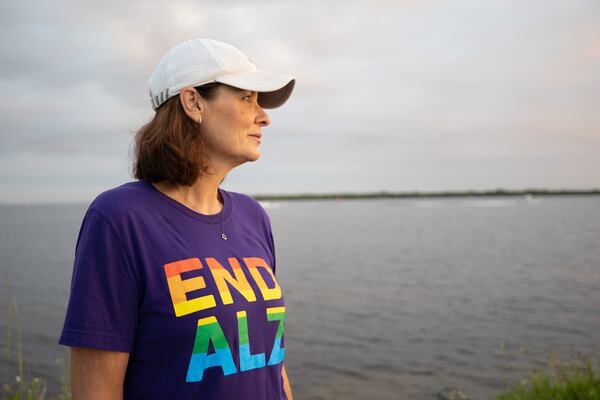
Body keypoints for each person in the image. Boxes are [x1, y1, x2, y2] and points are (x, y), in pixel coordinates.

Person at [59, 38, 296, 400]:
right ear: (193, 102)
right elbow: (97, 392)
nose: (263, 116)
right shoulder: (120, 220)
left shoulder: (253, 217)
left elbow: (273, 366)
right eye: (247, 98)